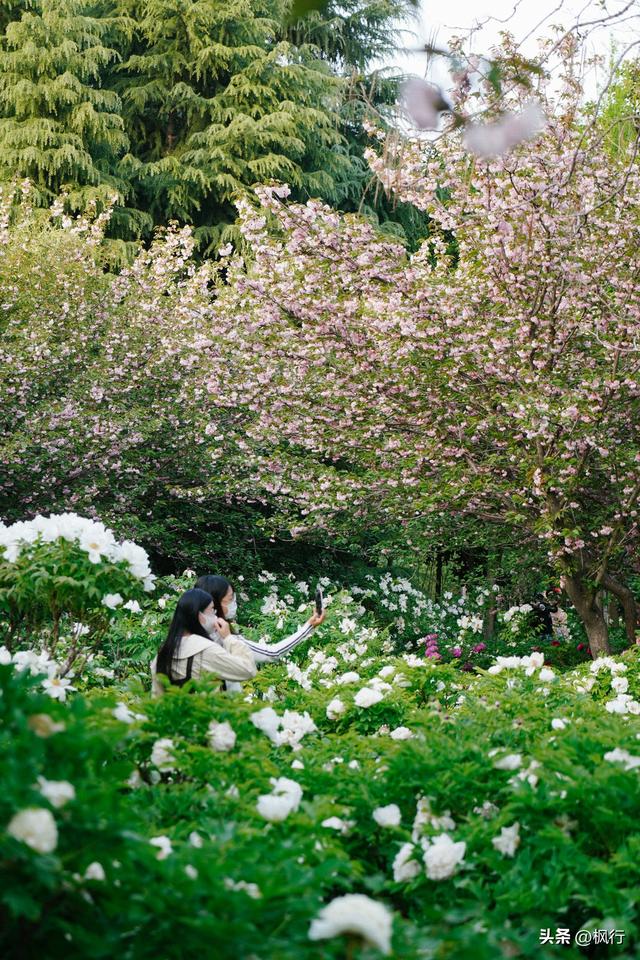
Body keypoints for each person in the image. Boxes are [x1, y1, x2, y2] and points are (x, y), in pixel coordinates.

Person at [195, 574, 325, 664]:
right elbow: (272, 653)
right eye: (230, 599)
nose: (234, 603)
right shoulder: (224, 637)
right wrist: (309, 626)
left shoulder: (190, 634)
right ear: (214, 604)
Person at [150, 588, 256, 696]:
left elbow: (156, 695)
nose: (215, 616)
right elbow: (248, 670)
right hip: (205, 711)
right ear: (199, 615)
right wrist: (229, 637)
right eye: (212, 610)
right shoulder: (205, 649)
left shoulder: (164, 651)